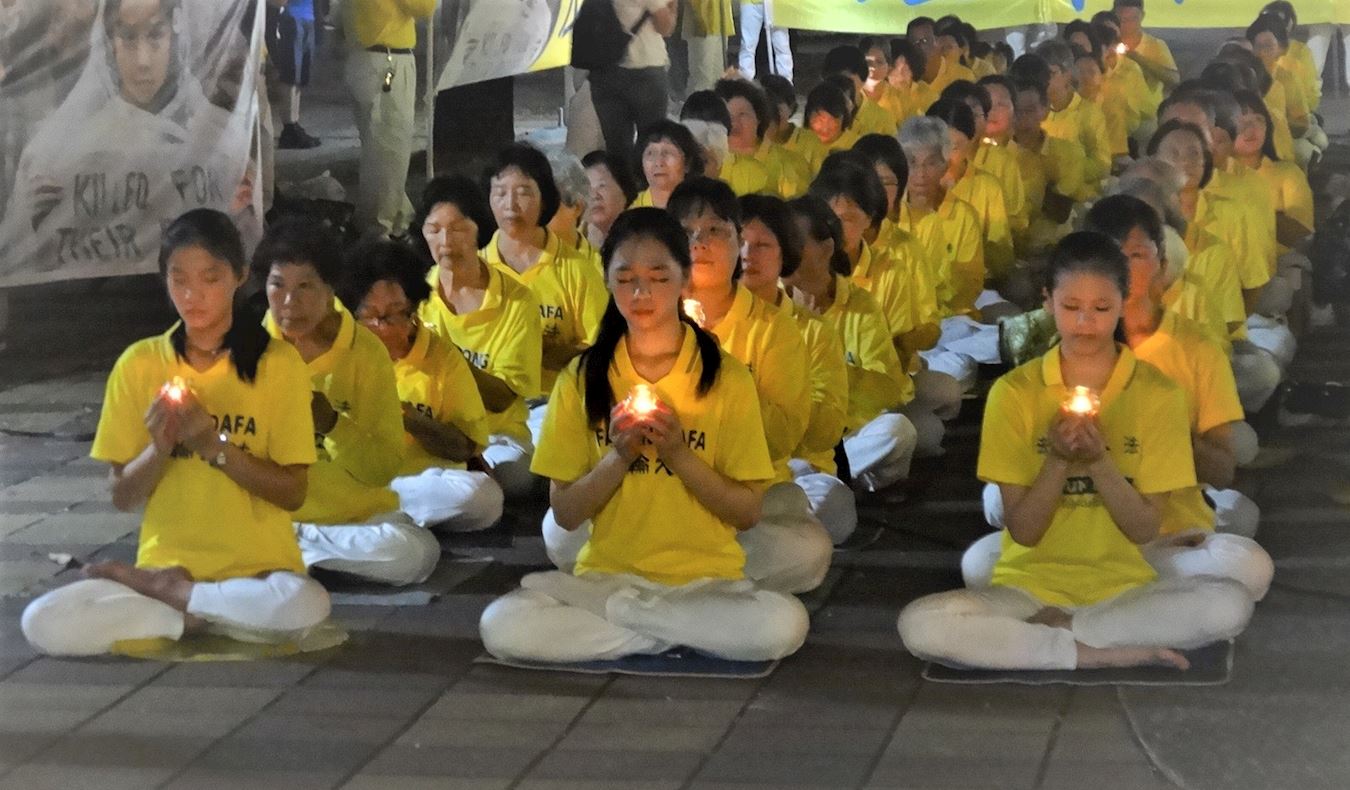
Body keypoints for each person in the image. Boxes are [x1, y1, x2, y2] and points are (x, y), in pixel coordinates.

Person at [900, 231, 1255, 672]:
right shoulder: (1015, 392)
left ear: (1123, 303)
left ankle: (1064, 632)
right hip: (1029, 588)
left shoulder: (1158, 393)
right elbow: (1025, 531)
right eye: (1071, 307)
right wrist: (1057, 460)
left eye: (1101, 308)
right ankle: (1089, 650)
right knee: (920, 623)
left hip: (1126, 586)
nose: (1086, 322)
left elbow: (1144, 528)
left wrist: (1099, 462)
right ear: (1048, 302)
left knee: (1230, 604)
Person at [478, 207, 808, 663]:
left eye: (658, 277)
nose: (641, 293)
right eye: (625, 278)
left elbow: (747, 512)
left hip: (707, 583)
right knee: (502, 625)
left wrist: (678, 454)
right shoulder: (583, 377)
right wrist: (618, 457)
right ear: (607, 281)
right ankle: (674, 630)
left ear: (685, 279)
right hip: (609, 576)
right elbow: (567, 514)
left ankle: (631, 620)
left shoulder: (725, 377)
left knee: (782, 625)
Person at [22, 209, 330, 656]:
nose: (192, 295)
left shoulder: (277, 365)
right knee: (42, 622)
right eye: (178, 279)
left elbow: (293, 493)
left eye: (210, 278)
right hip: (166, 565)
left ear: (240, 276)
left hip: (258, 573)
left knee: (306, 603)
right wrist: (160, 447)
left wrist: (212, 445)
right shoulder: (140, 363)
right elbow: (123, 496)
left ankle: (182, 604)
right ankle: (193, 611)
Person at [966, 199, 1273, 598]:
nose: (1121, 266)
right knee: (983, 550)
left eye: (1136, 255)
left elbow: (1221, 469)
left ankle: (1090, 608)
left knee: (1246, 567)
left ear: (1162, 262)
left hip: (1165, 533)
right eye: (1108, 254)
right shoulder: (1046, 349)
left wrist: (1161, 429)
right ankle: (1116, 609)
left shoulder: (1192, 350)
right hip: (1068, 528)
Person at [256, 219, 439, 587]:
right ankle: (294, 553)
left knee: (415, 554)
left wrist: (333, 425)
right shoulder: (251, 349)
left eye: (305, 286)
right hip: (275, 515)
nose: (289, 302)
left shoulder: (365, 352)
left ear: (330, 289)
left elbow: (383, 468)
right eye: (278, 285)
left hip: (357, 520)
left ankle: (293, 554)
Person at [336, 237, 504, 534]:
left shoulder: (440, 355)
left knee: (484, 498)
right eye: (369, 315)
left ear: (413, 312)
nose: (381, 327)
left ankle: (373, 515)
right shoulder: (339, 351)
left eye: (393, 314)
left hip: (422, 482)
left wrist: (408, 418)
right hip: (355, 477)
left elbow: (465, 447)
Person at [412, 176, 543, 498]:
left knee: (512, 474)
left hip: (496, 435)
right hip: (432, 431)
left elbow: (503, 397)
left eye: (458, 229)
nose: (445, 241)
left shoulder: (516, 301)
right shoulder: (414, 296)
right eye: (434, 230)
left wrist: (445, 357)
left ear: (479, 229)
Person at [786, 195, 919, 505]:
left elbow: (886, 390)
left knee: (899, 430)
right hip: (791, 443)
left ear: (826, 248)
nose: (785, 254)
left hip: (851, 434)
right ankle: (825, 481)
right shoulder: (769, 306)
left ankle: (822, 479)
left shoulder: (860, 305)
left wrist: (829, 368)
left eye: (795, 243)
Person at [738, 194, 855, 543]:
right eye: (739, 242)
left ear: (785, 254)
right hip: (731, 473)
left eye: (762, 245)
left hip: (800, 469)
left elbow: (825, 432)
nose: (747, 254)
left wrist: (787, 396)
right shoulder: (706, 322)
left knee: (823, 501)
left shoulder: (813, 331)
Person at [481, 144, 608, 443]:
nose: (510, 205)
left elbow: (603, 352)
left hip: (551, 405)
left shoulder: (577, 270)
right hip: (483, 408)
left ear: (545, 199)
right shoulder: (475, 268)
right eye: (500, 193)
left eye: (523, 193)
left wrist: (544, 351)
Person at [341, 0, 434, 235]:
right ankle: (379, 230)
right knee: (389, 151)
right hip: (386, 61)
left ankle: (398, 221)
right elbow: (424, 7)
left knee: (380, 152)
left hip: (367, 58)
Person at [587, 0, 677, 167]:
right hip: (644, 72)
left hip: (603, 73)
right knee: (651, 148)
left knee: (617, 151)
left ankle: (622, 182)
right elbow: (665, 27)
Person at [715, 77, 813, 199]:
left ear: (759, 118)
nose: (734, 123)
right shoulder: (709, 162)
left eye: (742, 114)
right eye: (726, 115)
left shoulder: (790, 164)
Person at [270, 0, 320, 149]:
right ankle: (289, 126)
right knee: (290, 74)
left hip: (307, 16)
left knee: (299, 76)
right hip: (290, 17)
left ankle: (294, 122)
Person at [632, 120, 705, 209]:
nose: (658, 162)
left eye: (668, 153)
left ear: (687, 163)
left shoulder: (705, 207)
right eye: (650, 153)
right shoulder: (629, 209)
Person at [582, 150, 638, 255]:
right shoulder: (569, 242)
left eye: (601, 185)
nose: (594, 195)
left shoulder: (645, 237)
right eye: (587, 188)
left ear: (624, 189)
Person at [737, 0, 792, 82]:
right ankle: (745, 83)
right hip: (750, 3)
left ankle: (786, 82)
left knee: (782, 45)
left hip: (776, 3)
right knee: (747, 45)